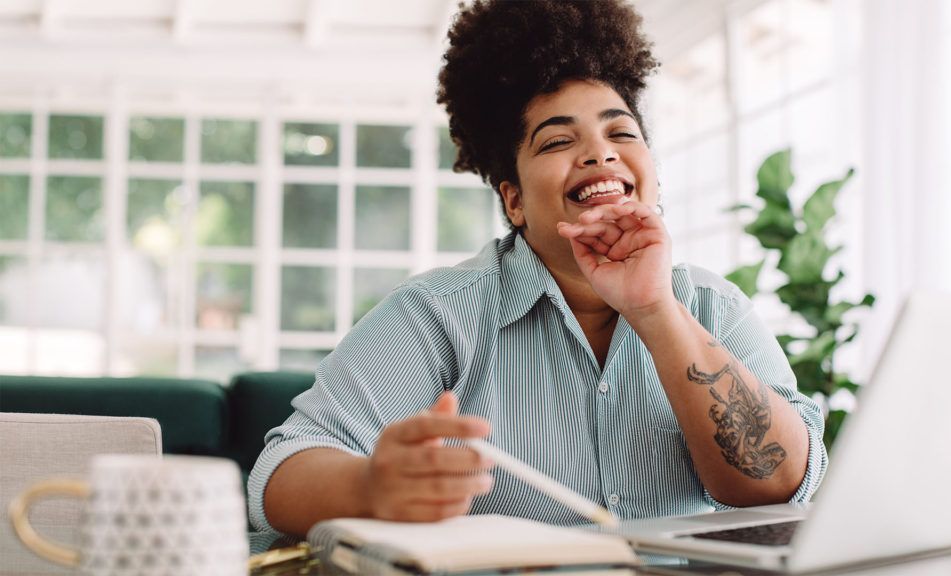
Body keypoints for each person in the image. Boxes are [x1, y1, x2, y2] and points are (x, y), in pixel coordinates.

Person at [250, 0, 827, 537]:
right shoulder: (437, 316)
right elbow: (278, 473)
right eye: (556, 142)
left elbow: (777, 485)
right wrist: (371, 486)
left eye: (621, 131)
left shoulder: (713, 308)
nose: (600, 152)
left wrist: (656, 309)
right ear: (514, 201)